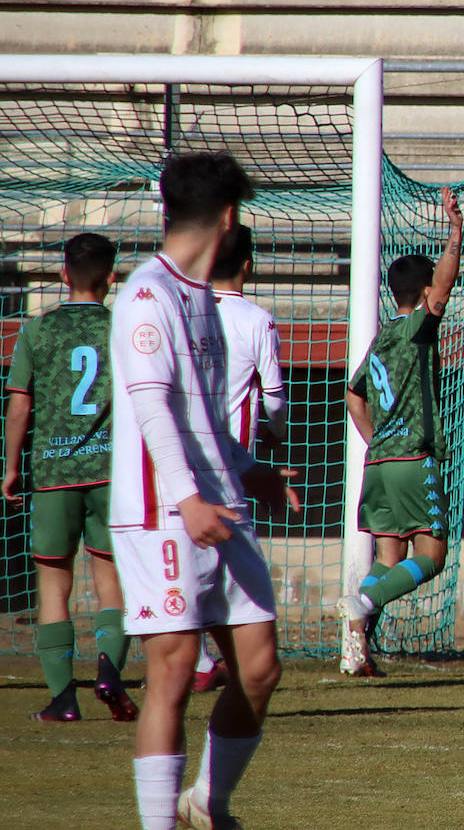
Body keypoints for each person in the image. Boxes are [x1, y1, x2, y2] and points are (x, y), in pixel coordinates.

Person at [108, 150, 299, 830]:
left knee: (259, 666)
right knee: (175, 664)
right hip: (164, 512)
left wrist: (250, 467)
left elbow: (202, 415)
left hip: (219, 501)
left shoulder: (202, 301)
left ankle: (205, 804)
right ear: (227, 216)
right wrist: (188, 496)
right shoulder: (146, 295)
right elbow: (153, 406)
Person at [3, 232, 139, 722]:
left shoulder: (37, 330)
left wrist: (11, 467)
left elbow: (21, 403)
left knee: (53, 584)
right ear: (112, 279)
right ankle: (108, 671)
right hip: (111, 474)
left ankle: (63, 697)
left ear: (63, 275)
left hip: (54, 472)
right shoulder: (123, 327)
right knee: (111, 581)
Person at [336, 186, 464, 676]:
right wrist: (455, 230)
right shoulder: (414, 330)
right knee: (430, 555)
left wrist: (375, 440)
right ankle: (361, 609)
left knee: (389, 560)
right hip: (412, 459)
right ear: (425, 288)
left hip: (380, 463)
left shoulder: (381, 337)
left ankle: (356, 648)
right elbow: (444, 290)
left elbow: (353, 395)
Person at [191, 225, 288, 694]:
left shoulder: (189, 311)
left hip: (186, 452)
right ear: (248, 264)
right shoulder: (257, 319)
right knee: (235, 560)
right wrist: (276, 436)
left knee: (199, 552)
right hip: (233, 459)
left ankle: (205, 660)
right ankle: (225, 660)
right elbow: (273, 396)